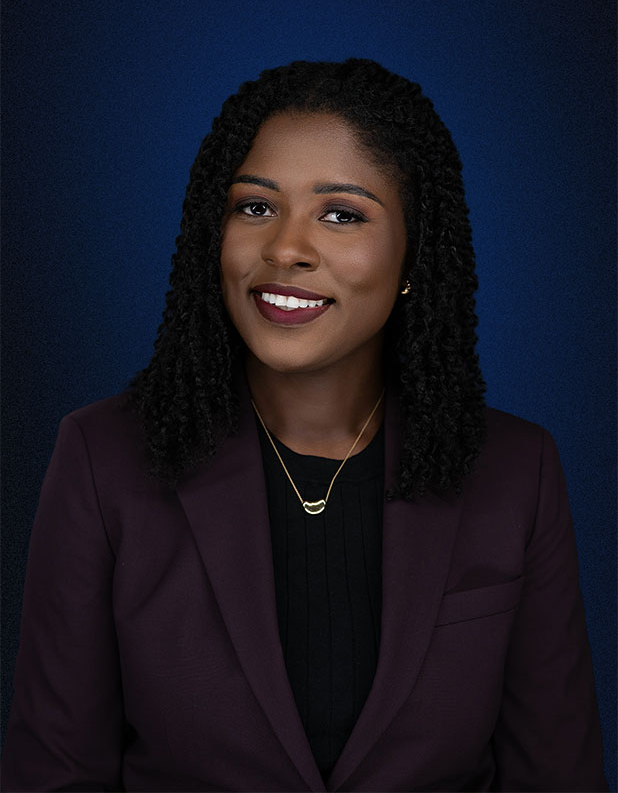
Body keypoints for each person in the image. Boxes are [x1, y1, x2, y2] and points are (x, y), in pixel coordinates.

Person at [1, 59, 608, 792]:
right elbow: (56, 773)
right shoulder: (104, 461)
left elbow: (556, 774)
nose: (285, 247)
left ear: (415, 254)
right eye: (255, 206)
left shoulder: (517, 471)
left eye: (342, 213)